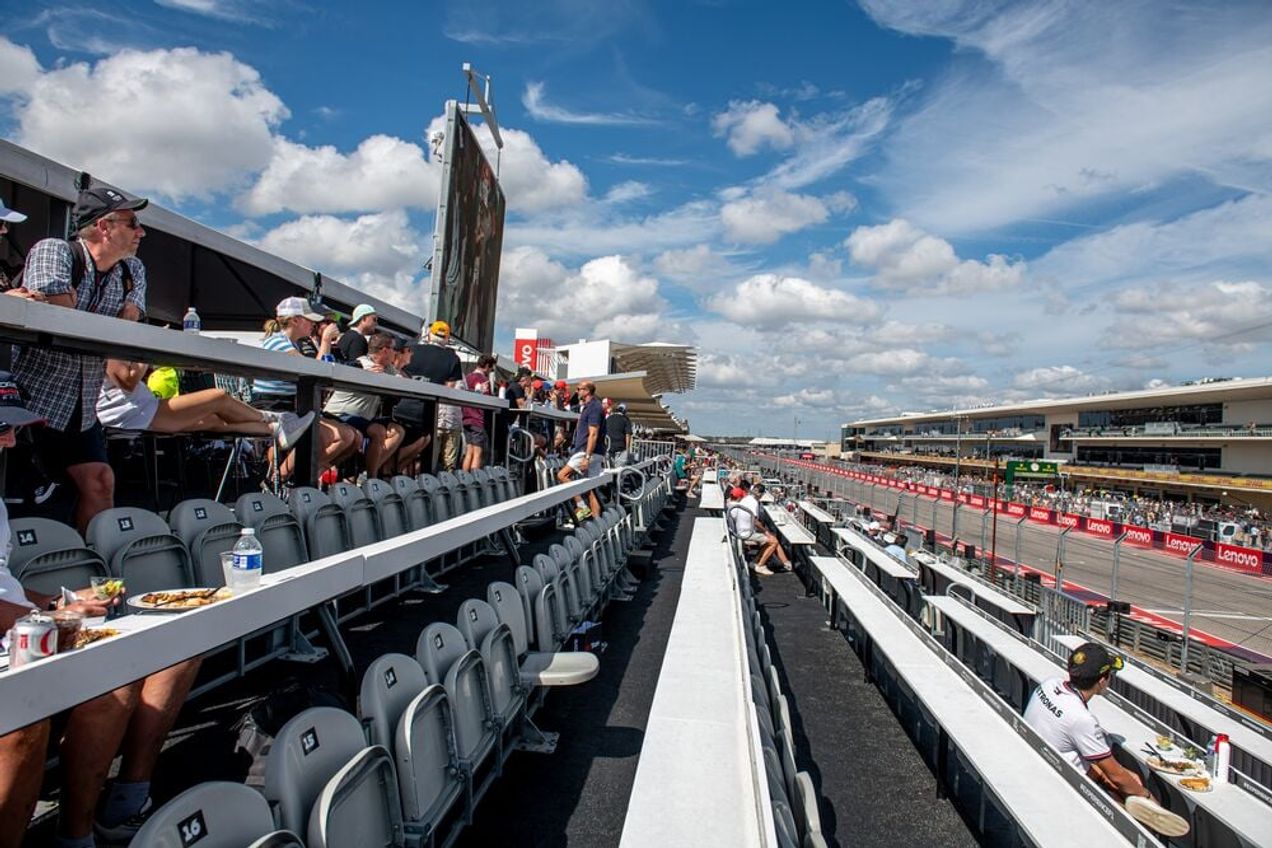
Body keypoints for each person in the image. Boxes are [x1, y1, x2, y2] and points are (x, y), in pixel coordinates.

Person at [0, 376, 200, 848]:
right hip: (19, 639)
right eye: (1, 429)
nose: (10, 439)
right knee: (50, 708)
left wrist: (58, 604)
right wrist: (50, 620)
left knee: (176, 648)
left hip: (23, 630)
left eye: (11, 428)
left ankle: (100, 819)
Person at [11, 184, 150, 532]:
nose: (140, 231)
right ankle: (20, 577)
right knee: (18, 495)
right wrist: (83, 314)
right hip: (30, 398)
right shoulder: (54, 249)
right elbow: (60, 318)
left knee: (101, 480)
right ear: (104, 226)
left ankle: (93, 569)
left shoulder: (133, 271)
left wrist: (71, 306)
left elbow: (127, 329)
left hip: (83, 405)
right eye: (132, 223)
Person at [1023, 643, 1185, 835]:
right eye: (1110, 676)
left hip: (1038, 761)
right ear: (1102, 680)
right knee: (1136, 796)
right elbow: (1115, 774)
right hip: (1061, 782)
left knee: (1124, 779)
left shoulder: (1050, 684)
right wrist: (1144, 794)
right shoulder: (1081, 719)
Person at [251, 297, 357, 481]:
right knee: (334, 436)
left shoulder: (289, 343)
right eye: (310, 320)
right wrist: (325, 341)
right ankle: (282, 479)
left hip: (289, 406)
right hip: (273, 406)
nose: (314, 324)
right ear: (295, 320)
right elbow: (312, 372)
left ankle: (292, 478)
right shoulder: (278, 342)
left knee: (346, 436)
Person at [98, 360, 314, 447]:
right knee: (217, 397)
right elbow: (127, 380)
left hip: (138, 408)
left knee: (212, 419)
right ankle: (275, 419)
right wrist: (144, 352)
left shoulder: (117, 334)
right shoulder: (112, 336)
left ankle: (275, 429)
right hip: (131, 411)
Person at [322, 332, 406, 479]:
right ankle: (369, 477)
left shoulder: (387, 368)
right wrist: (364, 374)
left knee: (397, 431)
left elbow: (401, 381)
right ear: (385, 350)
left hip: (361, 418)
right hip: (340, 413)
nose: (396, 353)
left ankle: (367, 473)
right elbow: (339, 366)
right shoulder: (362, 364)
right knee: (378, 431)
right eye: (394, 349)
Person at [398, 320, 463, 472]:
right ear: (447, 339)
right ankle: (399, 474)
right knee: (422, 449)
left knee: (400, 443)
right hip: (427, 411)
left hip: (401, 404)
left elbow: (398, 370)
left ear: (429, 335)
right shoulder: (452, 358)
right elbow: (449, 388)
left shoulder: (411, 349)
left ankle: (389, 472)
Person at [556, 380, 604, 522]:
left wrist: (587, 457)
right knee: (591, 488)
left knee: (562, 475)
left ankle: (581, 506)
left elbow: (593, 433)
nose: (577, 391)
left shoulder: (593, 407)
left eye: (579, 389)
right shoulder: (591, 406)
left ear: (587, 391)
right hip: (595, 452)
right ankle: (598, 522)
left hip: (587, 451)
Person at [462, 354, 495, 471]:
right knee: (478, 453)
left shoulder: (467, 377)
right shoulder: (484, 381)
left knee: (469, 452)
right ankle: (474, 482)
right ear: (486, 366)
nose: (491, 371)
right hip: (477, 419)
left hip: (465, 418)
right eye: (491, 369)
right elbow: (488, 400)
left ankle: (464, 479)